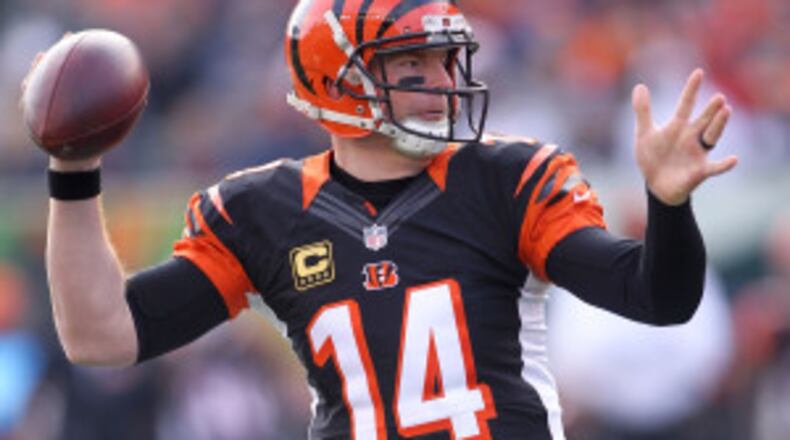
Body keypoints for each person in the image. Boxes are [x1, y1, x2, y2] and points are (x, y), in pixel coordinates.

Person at [31, 1, 738, 439]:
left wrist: (669, 204)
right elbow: (102, 336)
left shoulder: (506, 181)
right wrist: (73, 172)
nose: (441, 84)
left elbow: (658, 297)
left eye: (443, 60)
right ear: (337, 81)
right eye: (413, 66)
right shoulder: (263, 211)